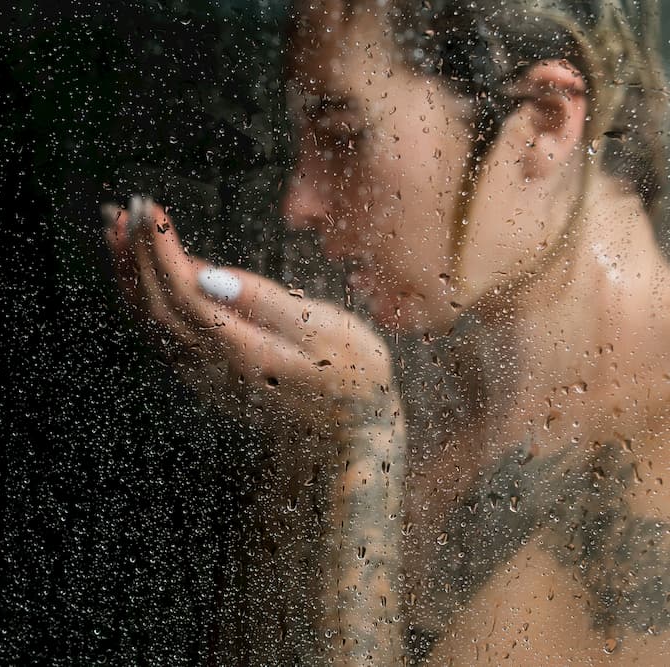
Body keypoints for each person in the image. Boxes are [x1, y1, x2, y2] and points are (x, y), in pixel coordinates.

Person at [102, 0, 670, 663]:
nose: (298, 204)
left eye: (343, 136)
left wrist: (356, 448)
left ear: (544, 121)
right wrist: (318, 439)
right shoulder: (403, 378)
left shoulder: (651, 473)